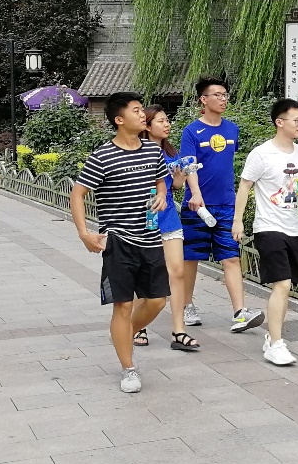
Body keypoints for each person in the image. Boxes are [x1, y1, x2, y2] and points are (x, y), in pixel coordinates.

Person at [70, 92, 171, 394]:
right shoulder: (102, 156)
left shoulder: (152, 151)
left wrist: (162, 195)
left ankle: (123, 333)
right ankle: (129, 368)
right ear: (119, 119)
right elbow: (78, 194)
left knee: (157, 301)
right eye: (136, 111)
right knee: (123, 304)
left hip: (150, 237)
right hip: (118, 240)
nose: (142, 115)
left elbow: (161, 180)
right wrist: (84, 233)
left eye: (142, 110)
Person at [179, 77, 263, 333]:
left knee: (231, 257)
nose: (223, 99)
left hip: (226, 205)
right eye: (217, 95)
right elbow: (188, 165)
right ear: (203, 100)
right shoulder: (191, 131)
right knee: (191, 259)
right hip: (197, 207)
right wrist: (195, 193)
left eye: (225, 94)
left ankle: (240, 313)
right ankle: (186, 305)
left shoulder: (232, 129)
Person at [233, 98, 298, 367]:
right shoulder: (262, 154)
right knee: (283, 284)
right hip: (268, 227)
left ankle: (272, 338)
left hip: (294, 227)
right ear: (280, 122)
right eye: (296, 120)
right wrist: (237, 221)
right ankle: (276, 344)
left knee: (286, 287)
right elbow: (245, 186)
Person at [143, 105, 200, 353]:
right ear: (147, 126)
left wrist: (179, 178)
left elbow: (174, 186)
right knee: (145, 273)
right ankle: (139, 325)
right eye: (160, 121)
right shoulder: (138, 152)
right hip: (144, 218)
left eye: (167, 120)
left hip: (168, 218)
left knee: (176, 272)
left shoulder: (171, 153)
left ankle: (179, 330)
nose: (166, 125)